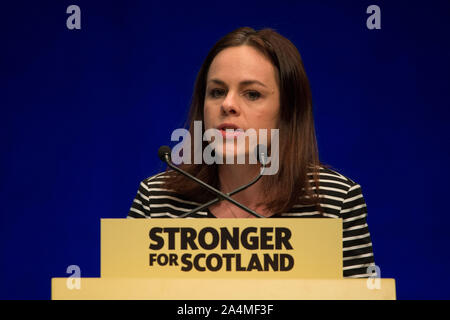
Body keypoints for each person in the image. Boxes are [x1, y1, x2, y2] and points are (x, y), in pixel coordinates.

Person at [127, 27, 376, 278]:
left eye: (252, 94)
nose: (227, 104)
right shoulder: (157, 201)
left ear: (287, 111)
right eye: (217, 92)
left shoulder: (335, 202)